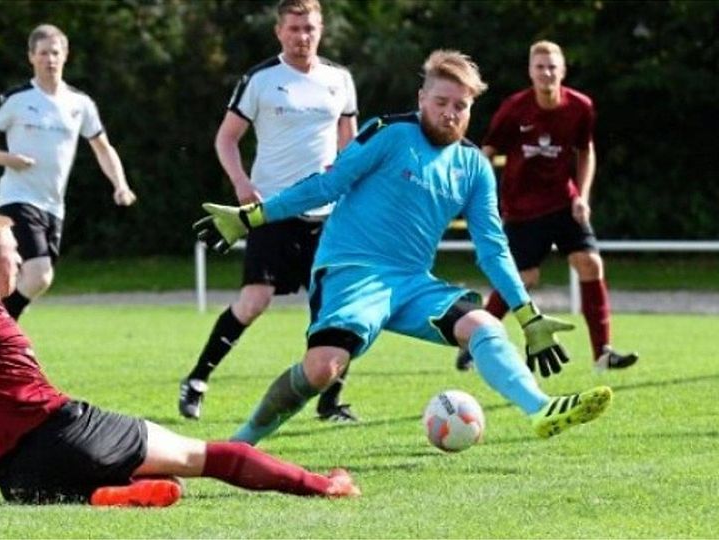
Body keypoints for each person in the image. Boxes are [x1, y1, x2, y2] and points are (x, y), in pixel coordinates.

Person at [194, 50, 614, 446]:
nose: (450, 113)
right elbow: (327, 185)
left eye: (460, 106)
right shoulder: (388, 133)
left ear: (471, 109)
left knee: (485, 325)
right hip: (351, 273)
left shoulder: (474, 168)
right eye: (441, 102)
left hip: (412, 283)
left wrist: (527, 314)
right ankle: (240, 443)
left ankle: (541, 409)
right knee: (322, 369)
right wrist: (251, 217)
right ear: (422, 98)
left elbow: (493, 249)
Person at [0, 213, 359, 507]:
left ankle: (108, 494)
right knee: (209, 455)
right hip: (62, 434)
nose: (22, 263)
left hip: (20, 482)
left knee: (161, 482)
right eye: (15, 255)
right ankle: (324, 485)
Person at [178, 0, 360, 423]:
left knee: (336, 307)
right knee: (254, 301)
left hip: (329, 215)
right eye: (294, 28)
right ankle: (198, 380)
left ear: (321, 30)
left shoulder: (339, 80)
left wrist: (354, 192)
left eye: (310, 28)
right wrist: (242, 183)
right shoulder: (261, 80)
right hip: (273, 210)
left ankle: (331, 401)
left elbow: (349, 144)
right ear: (279, 31)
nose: (303, 36)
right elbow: (226, 139)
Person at [454, 41, 638, 374]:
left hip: (563, 201)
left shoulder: (580, 107)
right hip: (522, 206)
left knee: (590, 263)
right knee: (521, 278)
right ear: (531, 71)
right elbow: (487, 152)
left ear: (563, 71)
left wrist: (582, 195)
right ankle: (476, 342)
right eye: (540, 66)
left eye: (552, 66)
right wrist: (475, 192)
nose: (546, 72)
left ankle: (603, 353)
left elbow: (586, 151)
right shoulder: (514, 108)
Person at [0, 23, 137, 320]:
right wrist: (8, 158)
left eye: (55, 53)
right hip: (18, 197)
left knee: (30, 280)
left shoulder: (80, 104)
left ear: (66, 55)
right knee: (39, 275)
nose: (50, 59)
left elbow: (103, 147)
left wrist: (120, 185)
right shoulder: (16, 99)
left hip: (54, 205)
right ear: (31, 57)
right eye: (43, 53)